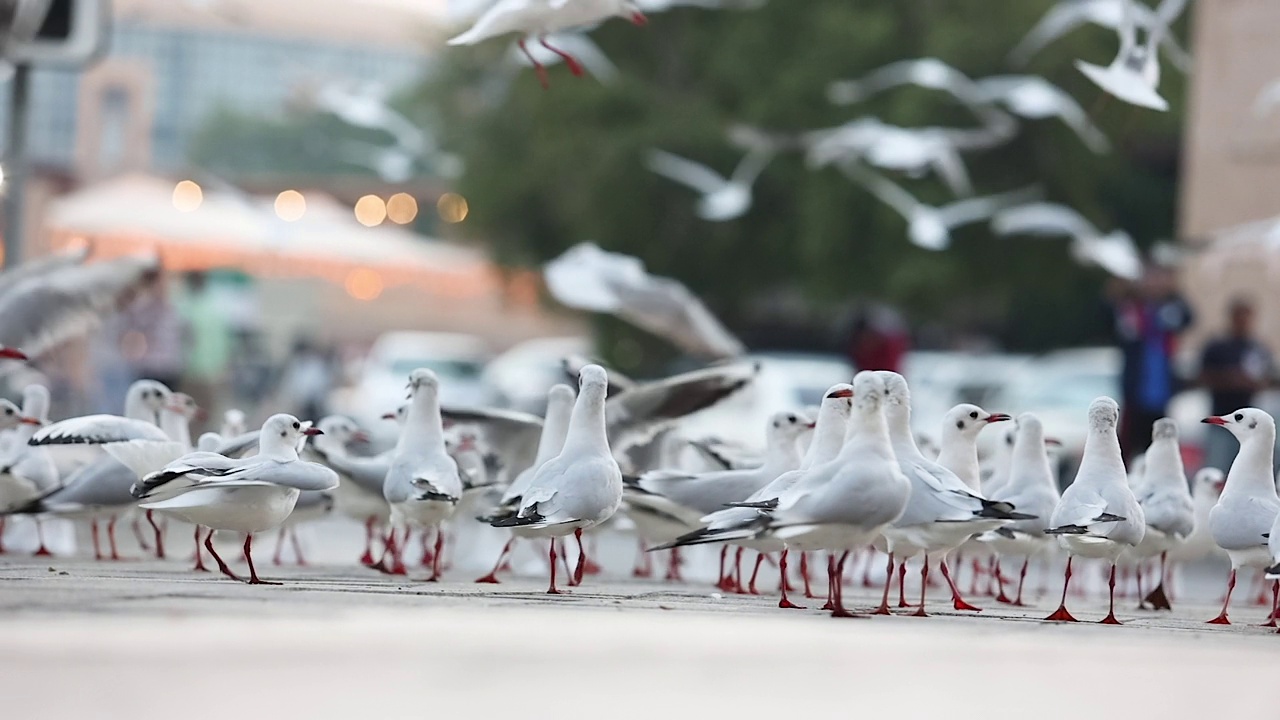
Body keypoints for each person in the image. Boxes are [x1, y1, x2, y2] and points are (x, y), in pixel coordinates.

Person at [1109, 265, 1194, 460]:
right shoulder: (1131, 309)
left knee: (1159, 448)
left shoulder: (1169, 308)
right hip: (1136, 392)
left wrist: (1173, 291)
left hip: (1161, 392)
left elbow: (1189, 317)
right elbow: (1107, 314)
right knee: (1128, 448)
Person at [1199, 298, 1273, 471]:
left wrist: (1253, 382)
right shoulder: (1217, 347)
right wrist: (1230, 379)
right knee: (1217, 471)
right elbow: (1203, 375)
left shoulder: (1258, 348)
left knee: (1246, 472)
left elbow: (1267, 377)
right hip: (1221, 421)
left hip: (1249, 426)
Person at [178, 271, 233, 423]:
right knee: (204, 416)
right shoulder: (216, 308)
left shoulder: (182, 306)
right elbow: (225, 342)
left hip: (189, 370)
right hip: (208, 372)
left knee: (188, 416)